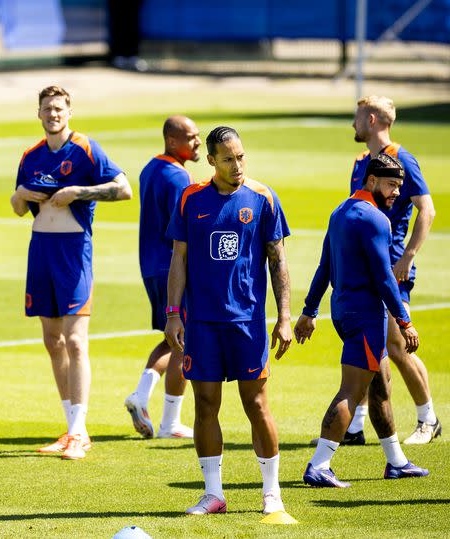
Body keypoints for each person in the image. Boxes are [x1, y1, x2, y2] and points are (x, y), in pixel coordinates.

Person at [164, 126, 292, 515]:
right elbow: (179, 260)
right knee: (205, 404)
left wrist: (284, 316)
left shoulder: (264, 197)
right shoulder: (190, 199)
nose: (237, 165)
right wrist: (173, 314)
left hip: (247, 322)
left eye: (241, 157)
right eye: (228, 159)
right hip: (202, 323)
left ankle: (272, 494)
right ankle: (213, 493)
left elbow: (278, 261)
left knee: (256, 404)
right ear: (211, 161)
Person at [11, 85, 132, 460]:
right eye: (47, 109)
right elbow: (17, 206)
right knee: (52, 340)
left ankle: (80, 432)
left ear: (69, 112)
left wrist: (77, 192)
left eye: (59, 108)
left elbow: (124, 189)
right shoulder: (31, 155)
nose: (53, 114)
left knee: (76, 340)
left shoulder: (86, 149)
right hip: (41, 250)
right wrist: (21, 197)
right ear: (39, 113)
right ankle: (69, 428)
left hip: (73, 250)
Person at [297, 153, 429, 487]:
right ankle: (319, 465)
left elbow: (324, 266)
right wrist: (404, 320)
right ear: (372, 181)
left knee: (381, 386)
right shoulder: (375, 220)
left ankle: (396, 461)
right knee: (351, 391)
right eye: (391, 185)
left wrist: (310, 311)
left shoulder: (340, 212)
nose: (397, 193)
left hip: (343, 309)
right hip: (366, 315)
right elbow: (384, 277)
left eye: (399, 186)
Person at [341, 95, 439, 446]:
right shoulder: (361, 163)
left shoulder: (402, 159)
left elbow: (426, 210)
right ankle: (355, 426)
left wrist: (408, 256)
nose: (353, 124)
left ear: (371, 119)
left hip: (392, 268)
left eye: (356, 118)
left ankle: (429, 419)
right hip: (365, 269)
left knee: (397, 345)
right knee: (371, 346)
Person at [124, 115, 200, 439]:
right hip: (173, 269)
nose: (197, 142)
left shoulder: (149, 169)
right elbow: (183, 230)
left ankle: (142, 395)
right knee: (184, 339)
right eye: (192, 137)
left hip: (151, 266)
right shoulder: (178, 178)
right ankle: (170, 422)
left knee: (173, 337)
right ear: (173, 141)